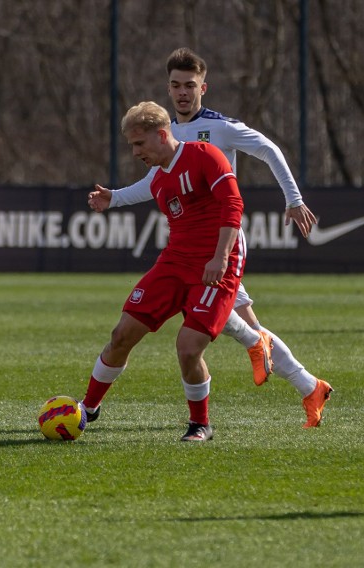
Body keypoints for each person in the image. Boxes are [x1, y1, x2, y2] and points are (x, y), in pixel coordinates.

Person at [92, 47, 332, 428]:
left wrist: (294, 199)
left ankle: (291, 382)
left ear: (205, 86)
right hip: (191, 246)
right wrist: (116, 198)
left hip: (222, 241)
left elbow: (269, 150)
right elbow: (155, 183)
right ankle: (309, 386)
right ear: (168, 89)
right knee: (246, 324)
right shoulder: (163, 131)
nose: (182, 92)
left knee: (240, 328)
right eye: (175, 85)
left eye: (190, 85)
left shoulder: (220, 128)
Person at [81, 101, 246, 442]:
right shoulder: (158, 176)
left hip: (218, 261)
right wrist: (111, 197)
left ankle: (200, 424)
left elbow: (233, 205)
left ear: (161, 135)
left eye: (139, 143)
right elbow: (137, 191)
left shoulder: (206, 155)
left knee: (188, 347)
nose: (135, 151)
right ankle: (88, 408)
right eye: (131, 145)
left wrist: (220, 256)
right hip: (175, 261)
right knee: (122, 334)